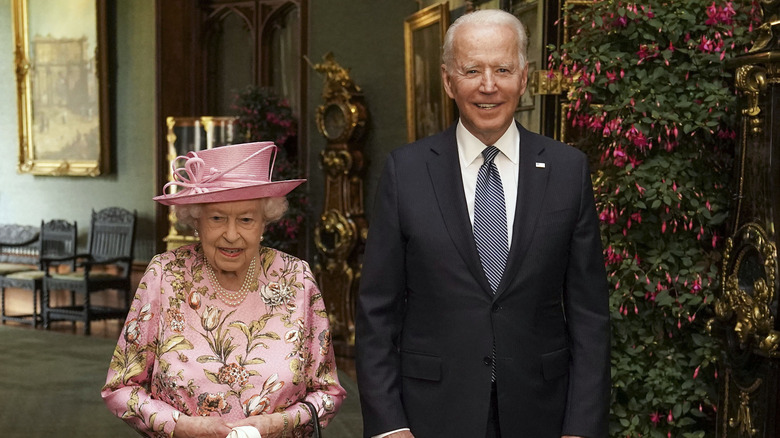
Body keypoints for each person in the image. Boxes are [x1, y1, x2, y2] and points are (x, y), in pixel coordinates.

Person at [355, 9, 610, 438]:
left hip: (542, 414)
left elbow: (589, 316)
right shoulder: (407, 171)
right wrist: (388, 426)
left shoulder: (568, 170)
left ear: (523, 78)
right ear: (447, 80)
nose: (488, 85)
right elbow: (376, 312)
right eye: (472, 70)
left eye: (503, 69)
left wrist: (581, 427)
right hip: (430, 416)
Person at [102, 142, 346, 438]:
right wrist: (179, 426)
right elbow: (120, 388)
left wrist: (277, 424)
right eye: (217, 218)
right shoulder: (164, 276)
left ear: (264, 223)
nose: (232, 235)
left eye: (246, 219)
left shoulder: (296, 278)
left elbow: (327, 394)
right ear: (196, 221)